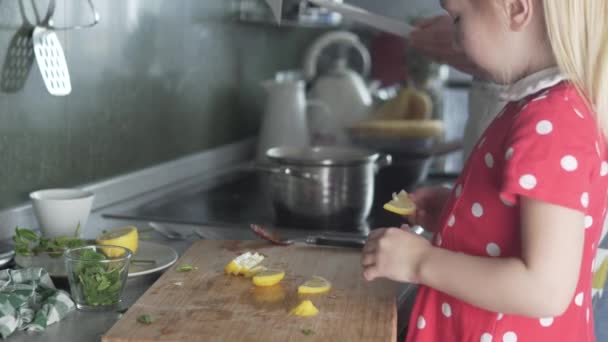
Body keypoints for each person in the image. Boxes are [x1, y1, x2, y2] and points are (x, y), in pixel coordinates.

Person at [362, 1, 608, 341]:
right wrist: (458, 216)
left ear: (516, 9)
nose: (456, 38)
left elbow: (544, 289)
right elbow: (524, 231)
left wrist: (420, 262)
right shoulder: (547, 107)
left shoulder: (552, 120)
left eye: (458, 18)